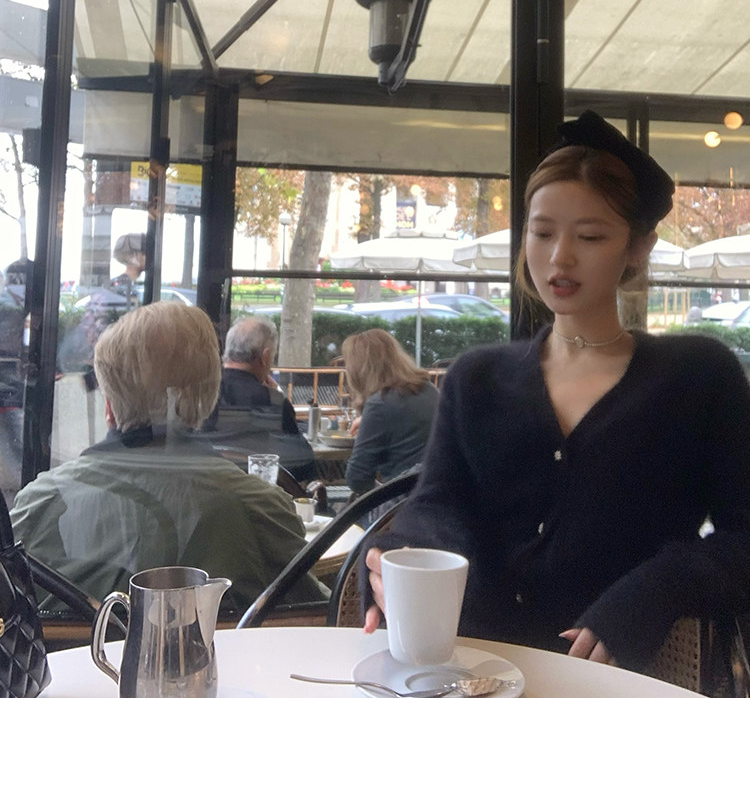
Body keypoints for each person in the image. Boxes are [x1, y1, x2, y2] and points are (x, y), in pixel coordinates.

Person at [362, 110, 750, 674]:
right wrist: (404, 554)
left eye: (590, 236)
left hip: (623, 679)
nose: (559, 256)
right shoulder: (476, 377)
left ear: (638, 247)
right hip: (469, 669)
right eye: (542, 233)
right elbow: (437, 503)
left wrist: (654, 590)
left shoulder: (697, 377)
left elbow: (743, 538)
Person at [10, 301, 326, 613]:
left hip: (73, 651)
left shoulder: (40, 504)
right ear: (206, 402)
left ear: (109, 407)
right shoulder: (259, 509)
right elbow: (315, 614)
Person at [196, 315, 314, 482]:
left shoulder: (199, 394)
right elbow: (304, 465)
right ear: (265, 357)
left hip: (207, 488)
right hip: (261, 494)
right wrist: (277, 394)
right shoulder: (273, 402)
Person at [341, 328, 439, 495]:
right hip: (438, 493)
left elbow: (357, 480)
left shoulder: (380, 403)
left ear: (359, 369)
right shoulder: (429, 389)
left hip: (403, 500)